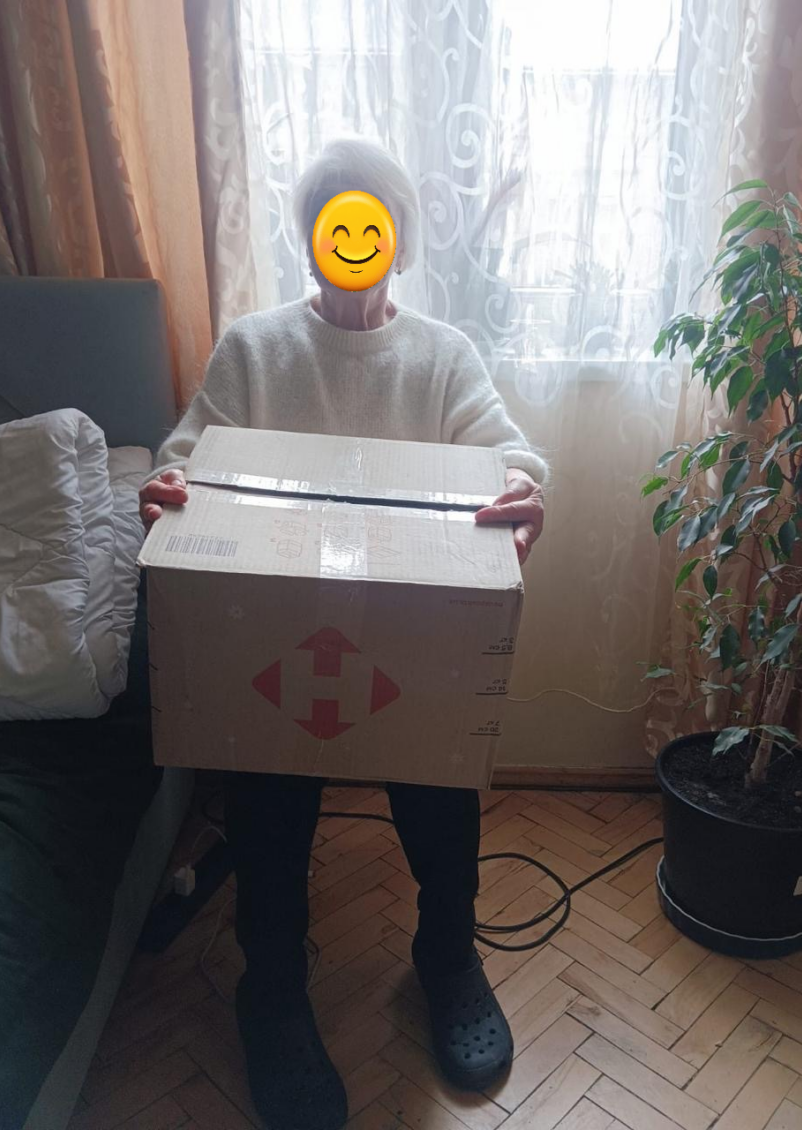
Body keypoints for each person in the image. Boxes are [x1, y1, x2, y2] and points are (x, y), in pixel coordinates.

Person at [140, 138, 548, 1130]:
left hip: (410, 639)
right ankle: (272, 990)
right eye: (337, 225)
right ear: (311, 238)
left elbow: (508, 449)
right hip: (281, 640)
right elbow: (186, 454)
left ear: (398, 243)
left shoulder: (441, 354)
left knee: (442, 788)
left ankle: (446, 956)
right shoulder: (254, 348)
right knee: (267, 800)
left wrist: (519, 486)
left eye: (373, 227)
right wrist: (167, 484)